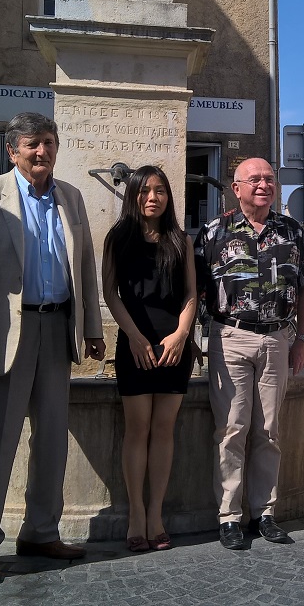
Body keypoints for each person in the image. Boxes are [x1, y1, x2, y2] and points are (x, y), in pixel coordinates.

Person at [0, 112, 106, 586]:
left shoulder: (71, 196)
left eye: (49, 143)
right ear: (11, 150)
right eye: (33, 144)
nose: (43, 152)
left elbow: (84, 267)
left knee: (53, 440)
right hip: (5, 335)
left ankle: (41, 531)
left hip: (57, 328)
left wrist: (92, 326)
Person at [195, 157, 304, 550]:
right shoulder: (214, 232)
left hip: (277, 339)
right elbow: (195, 289)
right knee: (231, 427)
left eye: (269, 178)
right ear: (237, 187)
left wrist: (301, 340)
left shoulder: (293, 231)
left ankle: (264, 512)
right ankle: (229, 516)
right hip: (230, 337)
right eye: (254, 179)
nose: (263, 184)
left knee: (269, 429)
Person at [101, 165, 198, 552]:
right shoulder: (118, 237)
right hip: (135, 346)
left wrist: (181, 334)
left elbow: (192, 294)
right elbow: (110, 294)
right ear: (134, 196)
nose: (152, 197)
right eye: (144, 191)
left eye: (160, 190)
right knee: (137, 429)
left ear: (168, 196)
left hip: (174, 347)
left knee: (163, 430)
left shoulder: (180, 239)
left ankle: (155, 513)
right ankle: (136, 514)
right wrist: (135, 336)